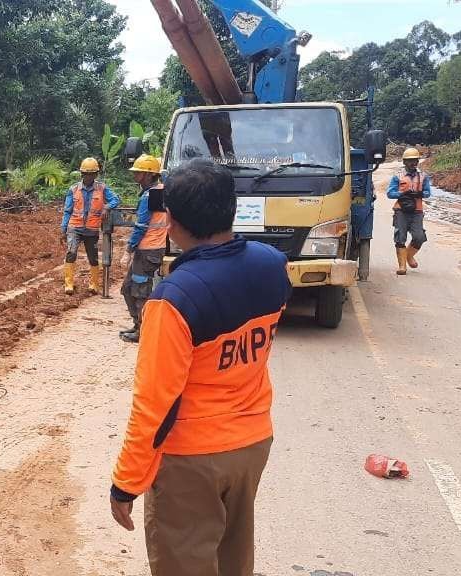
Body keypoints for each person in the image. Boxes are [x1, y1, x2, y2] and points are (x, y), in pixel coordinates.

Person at [108, 159, 291, 576]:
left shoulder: (173, 300)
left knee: (184, 562)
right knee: (233, 556)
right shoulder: (272, 265)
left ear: (171, 220)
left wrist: (126, 483)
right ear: (232, 208)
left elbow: (155, 405)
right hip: (252, 443)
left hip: (192, 460)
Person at [120, 154, 168, 343]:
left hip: (149, 250)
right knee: (127, 289)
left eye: (139, 173)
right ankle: (138, 324)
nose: (135, 176)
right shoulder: (162, 191)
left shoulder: (150, 196)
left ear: (149, 175)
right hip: (150, 249)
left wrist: (128, 250)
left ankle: (144, 331)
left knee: (140, 291)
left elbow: (141, 227)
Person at [61, 157, 121, 295]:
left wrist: (107, 206)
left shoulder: (102, 189)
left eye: (91, 174)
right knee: (71, 253)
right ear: (82, 174)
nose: (88, 176)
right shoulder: (73, 189)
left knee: (93, 257)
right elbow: (67, 210)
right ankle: (69, 284)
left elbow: (116, 199)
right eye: (86, 174)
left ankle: (94, 284)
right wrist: (63, 229)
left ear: (96, 175)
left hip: (92, 229)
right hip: (74, 227)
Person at [386, 147, 433, 275]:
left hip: (417, 211)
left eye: (415, 161)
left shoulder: (423, 176)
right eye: (410, 161)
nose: (413, 163)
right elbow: (389, 193)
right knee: (400, 237)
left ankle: (409, 256)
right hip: (401, 210)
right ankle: (402, 266)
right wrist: (402, 193)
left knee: (419, 237)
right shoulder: (398, 176)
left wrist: (420, 193)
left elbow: (428, 193)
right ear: (404, 162)